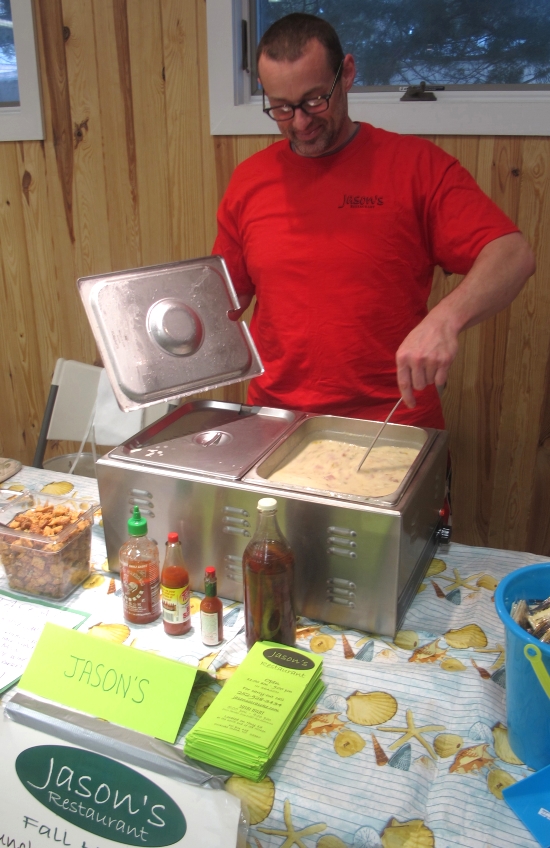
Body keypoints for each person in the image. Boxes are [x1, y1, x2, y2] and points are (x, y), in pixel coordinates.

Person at [214, 13, 535, 428]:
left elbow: (512, 254)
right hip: (275, 420)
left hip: (387, 423)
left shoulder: (416, 167)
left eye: (315, 100)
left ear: (346, 74)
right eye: (280, 107)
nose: (300, 122)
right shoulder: (249, 181)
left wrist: (446, 318)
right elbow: (222, 302)